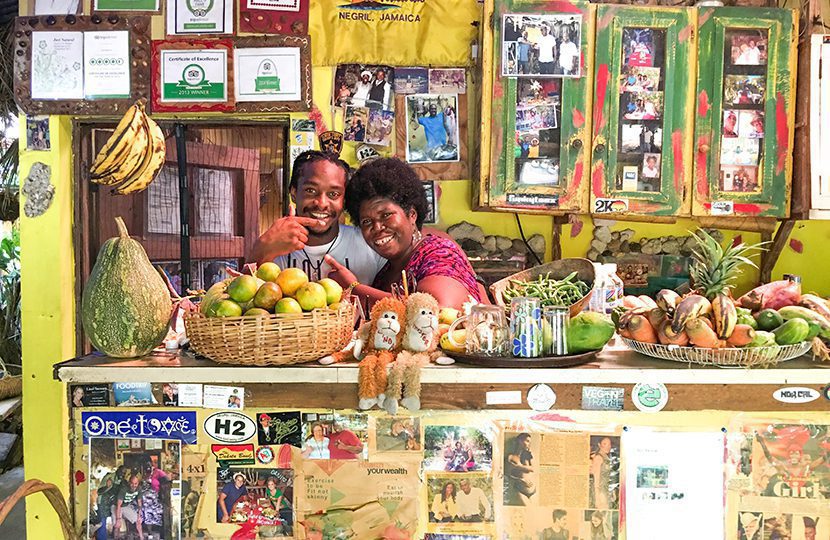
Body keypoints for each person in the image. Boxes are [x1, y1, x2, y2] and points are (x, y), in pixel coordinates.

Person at [327, 158, 484, 311]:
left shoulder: (437, 252)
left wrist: (354, 288)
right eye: (367, 222)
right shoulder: (386, 272)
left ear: (412, 214)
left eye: (386, 215)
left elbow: (437, 312)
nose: (377, 227)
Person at [252, 151, 385, 285]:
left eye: (333, 194)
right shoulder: (272, 248)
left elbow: (399, 302)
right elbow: (239, 295)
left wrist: (355, 288)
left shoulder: (369, 243)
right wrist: (262, 246)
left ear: (344, 200)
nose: (321, 204)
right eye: (310, 190)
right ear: (293, 193)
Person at [505, 433, 535, 505]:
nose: (529, 444)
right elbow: (507, 474)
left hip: (533, 489)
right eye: (527, 441)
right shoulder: (510, 457)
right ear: (520, 441)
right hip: (520, 489)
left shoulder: (528, 456)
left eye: (529, 442)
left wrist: (517, 467)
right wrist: (520, 480)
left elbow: (532, 469)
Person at [590, 437, 616, 509]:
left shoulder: (607, 458)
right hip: (600, 491)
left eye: (609, 444)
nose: (608, 446)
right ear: (599, 445)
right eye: (604, 444)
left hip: (606, 490)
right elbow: (596, 478)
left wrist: (611, 491)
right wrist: (597, 498)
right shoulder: (598, 458)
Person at [114, 474, 143, 538]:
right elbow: (119, 505)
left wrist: (139, 516)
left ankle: (141, 537)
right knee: (117, 525)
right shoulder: (123, 489)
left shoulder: (139, 489)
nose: (133, 485)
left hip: (126, 506)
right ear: (129, 482)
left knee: (138, 521)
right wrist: (118, 519)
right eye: (132, 483)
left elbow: (139, 503)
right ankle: (116, 537)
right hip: (116, 506)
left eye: (136, 483)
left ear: (138, 483)